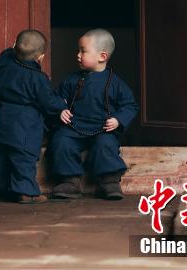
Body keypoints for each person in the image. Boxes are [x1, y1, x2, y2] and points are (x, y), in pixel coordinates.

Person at [50, 28, 139, 200]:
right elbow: (57, 98)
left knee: (105, 145)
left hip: (102, 128)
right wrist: (60, 110)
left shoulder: (115, 83)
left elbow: (130, 105)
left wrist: (118, 120)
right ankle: (70, 181)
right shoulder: (71, 80)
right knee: (61, 141)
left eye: (83, 51)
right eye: (79, 50)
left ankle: (110, 181)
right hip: (74, 127)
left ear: (102, 57)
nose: (78, 55)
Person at [0, 29, 66, 205]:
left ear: (15, 46)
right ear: (40, 57)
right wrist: (61, 104)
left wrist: (15, 48)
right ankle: (26, 192)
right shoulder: (38, 78)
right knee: (23, 158)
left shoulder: (4, 64)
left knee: (1, 157)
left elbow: (7, 53)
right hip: (24, 126)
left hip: (1, 120)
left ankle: (2, 188)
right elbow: (47, 101)